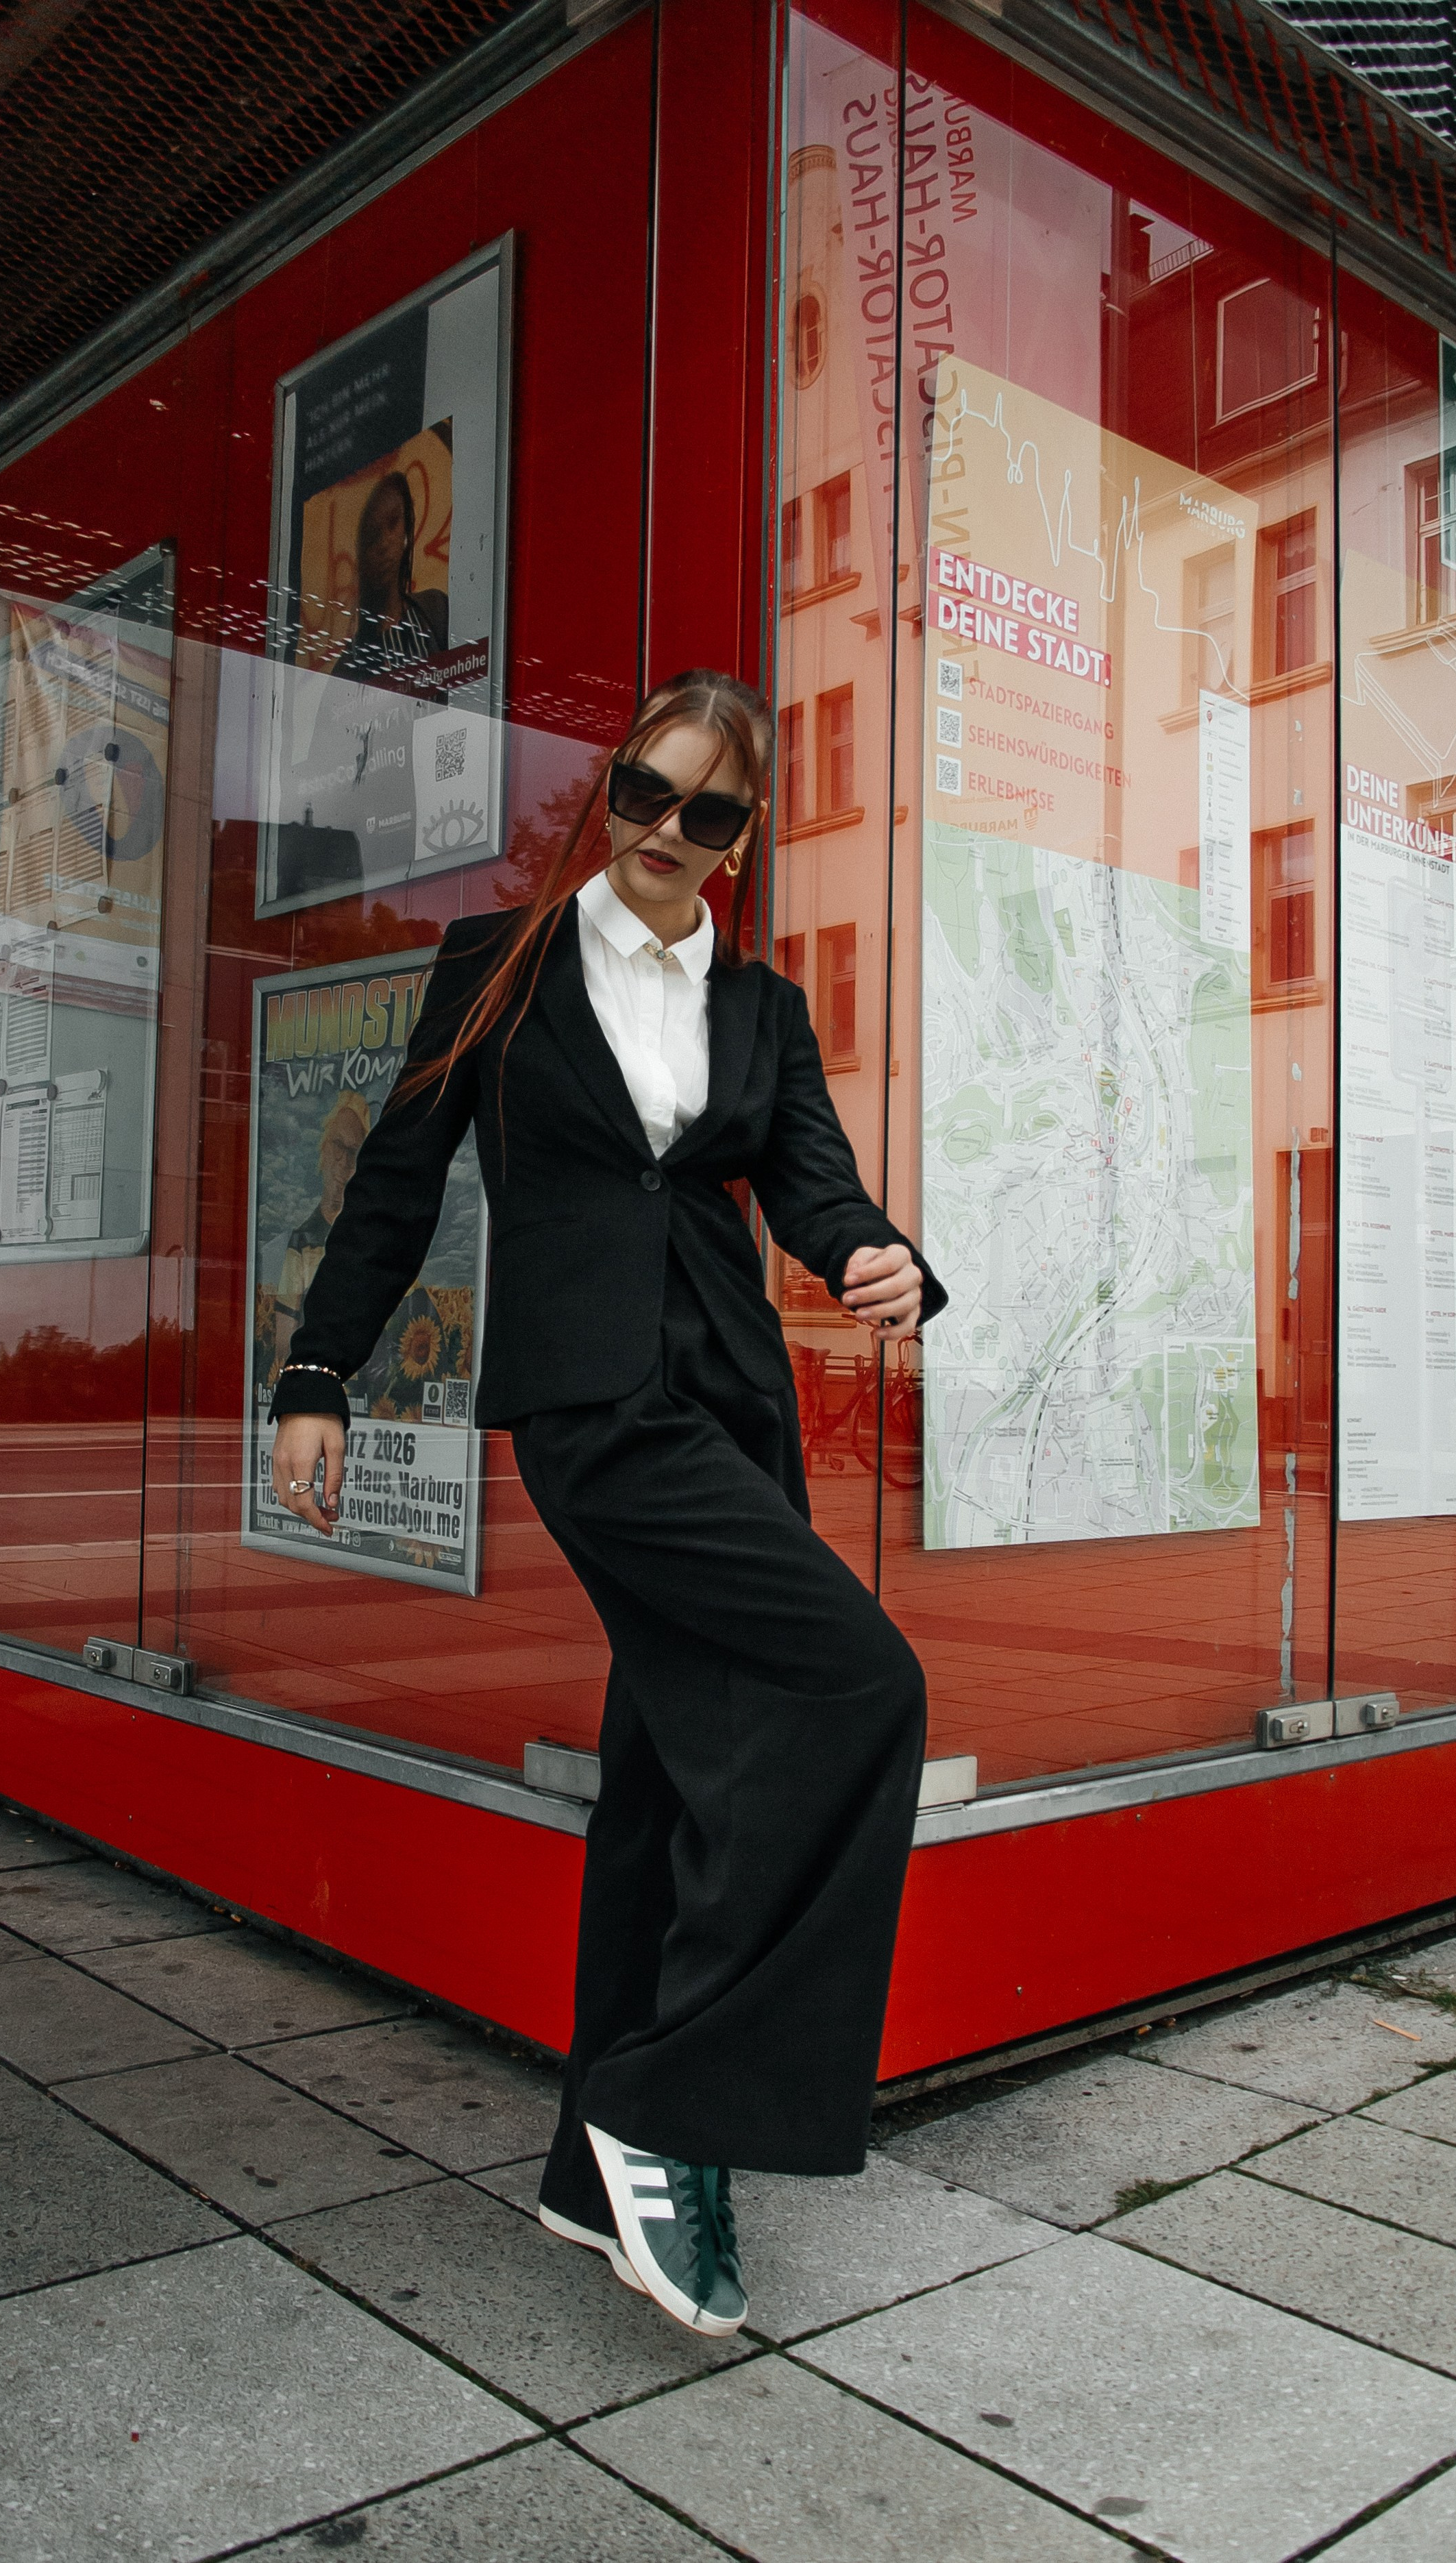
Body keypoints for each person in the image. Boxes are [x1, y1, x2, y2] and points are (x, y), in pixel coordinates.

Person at [269, 668, 945, 2338]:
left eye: (706, 813)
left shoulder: (761, 1007)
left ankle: (590, 2162)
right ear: (610, 786)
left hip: (734, 1399)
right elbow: (396, 1185)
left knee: (660, 1776)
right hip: (593, 1404)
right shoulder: (498, 962)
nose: (663, 832)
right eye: (645, 791)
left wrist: (881, 1256)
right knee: (861, 1687)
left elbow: (812, 1181)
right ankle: (673, 2099)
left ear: (741, 838)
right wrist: (315, 1376)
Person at [271, 1092, 371, 1376]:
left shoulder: (370, 1235)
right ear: (324, 1148)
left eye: (355, 1152)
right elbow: (284, 1342)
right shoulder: (303, 1242)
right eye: (339, 1145)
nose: (345, 1162)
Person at [332, 469, 449, 689]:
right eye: (373, 536)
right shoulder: (345, 672)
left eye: (393, 522)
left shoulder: (436, 611)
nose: (384, 544)